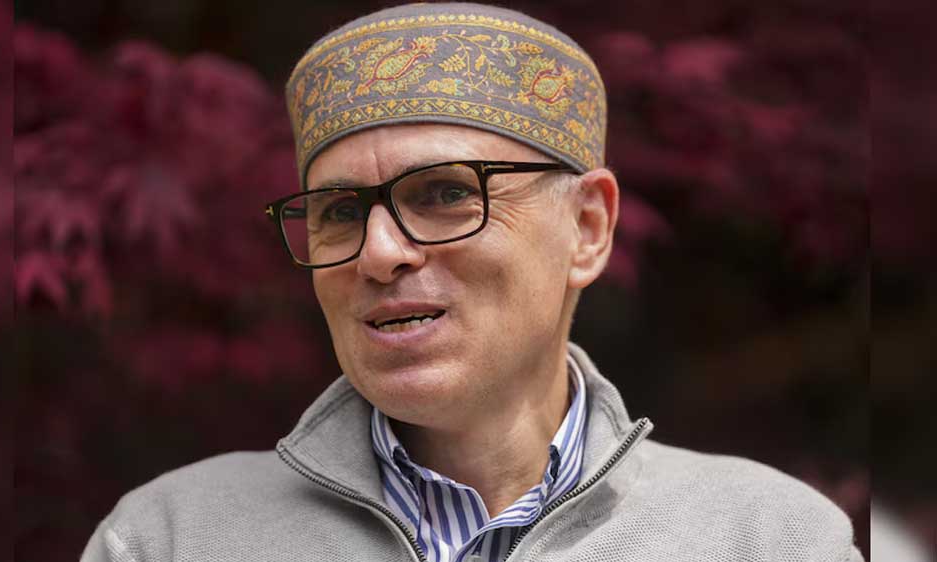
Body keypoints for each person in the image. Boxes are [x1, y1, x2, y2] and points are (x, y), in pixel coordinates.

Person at [82, 3, 864, 561]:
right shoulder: (168, 539)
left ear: (587, 228)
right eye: (339, 212)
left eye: (444, 194)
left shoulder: (769, 540)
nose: (377, 252)